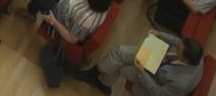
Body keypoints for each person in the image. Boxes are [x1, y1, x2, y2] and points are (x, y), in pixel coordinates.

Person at [77, 32, 205, 95]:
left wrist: (142, 72)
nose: (175, 47)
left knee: (122, 68)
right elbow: (177, 41)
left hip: (154, 82)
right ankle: (98, 77)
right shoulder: (195, 53)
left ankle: (99, 79)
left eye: (177, 50)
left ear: (185, 60)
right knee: (121, 51)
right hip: (160, 64)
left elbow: (158, 93)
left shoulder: (181, 84)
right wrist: (159, 34)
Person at [27, 0, 111, 46]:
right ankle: (32, 10)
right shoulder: (103, 3)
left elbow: (72, 39)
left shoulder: (86, 20)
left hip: (56, 16)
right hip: (64, 1)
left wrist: (53, 21)